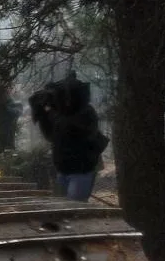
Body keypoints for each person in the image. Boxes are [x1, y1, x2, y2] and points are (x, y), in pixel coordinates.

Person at [29, 72, 109, 201]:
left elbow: (70, 128)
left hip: (82, 169)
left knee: (74, 208)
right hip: (63, 168)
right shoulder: (61, 113)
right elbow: (51, 136)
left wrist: (50, 111)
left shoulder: (86, 112)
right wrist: (42, 113)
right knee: (61, 209)